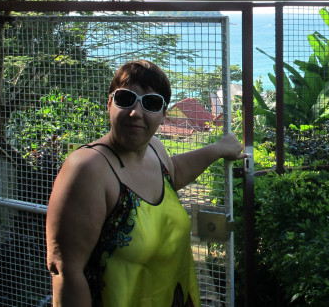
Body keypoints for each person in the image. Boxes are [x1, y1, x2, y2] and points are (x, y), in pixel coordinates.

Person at [46, 59, 245, 307]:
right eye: (126, 99)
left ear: (163, 114)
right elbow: (65, 271)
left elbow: (173, 174)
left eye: (151, 103)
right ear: (109, 104)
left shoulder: (154, 150)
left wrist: (218, 149)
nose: (136, 112)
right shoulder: (88, 169)